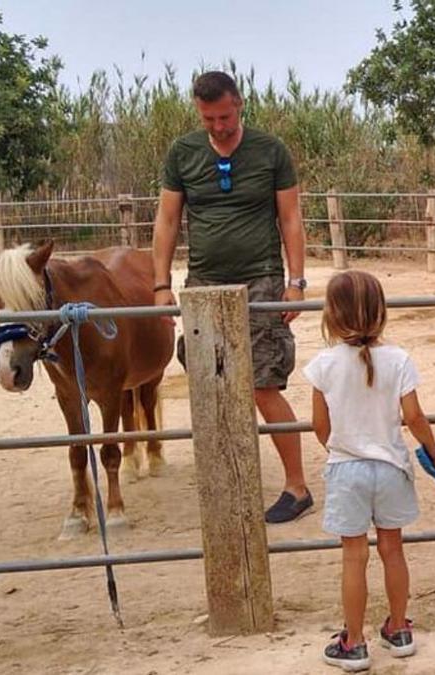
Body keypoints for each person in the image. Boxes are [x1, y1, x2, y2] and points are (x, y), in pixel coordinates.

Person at [151, 71, 313, 523]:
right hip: (203, 282)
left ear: (239, 104)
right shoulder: (183, 153)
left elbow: (291, 218)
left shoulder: (270, 150)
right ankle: (226, 483)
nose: (218, 126)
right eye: (208, 119)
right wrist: (161, 285)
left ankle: (296, 487)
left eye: (224, 116)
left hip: (261, 278)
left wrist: (295, 282)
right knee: (211, 386)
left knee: (264, 384)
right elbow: (166, 221)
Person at [304, 270, 435, 671]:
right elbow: (415, 416)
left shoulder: (322, 365)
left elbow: (321, 427)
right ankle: (399, 629)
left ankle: (353, 642)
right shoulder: (399, 360)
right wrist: (434, 453)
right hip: (391, 468)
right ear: (381, 312)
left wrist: (341, 447)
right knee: (392, 549)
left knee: (354, 556)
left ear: (331, 315)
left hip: (346, 469)